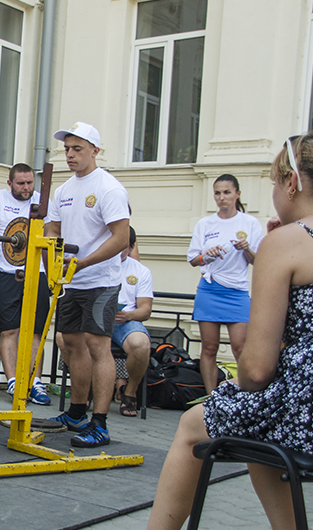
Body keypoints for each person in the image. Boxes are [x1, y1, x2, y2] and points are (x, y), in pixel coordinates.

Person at [147, 134, 313, 529]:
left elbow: (256, 370)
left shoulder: (286, 242)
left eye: (274, 183)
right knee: (253, 419)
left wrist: (279, 239)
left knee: (195, 424)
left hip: (305, 410)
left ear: (291, 183)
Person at [46, 122, 130, 448]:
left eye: (77, 149)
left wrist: (82, 263)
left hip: (100, 280)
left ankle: (101, 423)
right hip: (71, 280)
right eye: (67, 149)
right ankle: (77, 412)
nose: (70, 154)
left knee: (98, 346)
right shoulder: (63, 190)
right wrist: (54, 258)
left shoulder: (109, 188)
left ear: (95, 151)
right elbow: (53, 229)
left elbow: (121, 238)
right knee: (70, 343)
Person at [0, 163, 53, 405]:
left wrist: (51, 275)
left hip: (35, 274)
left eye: (29, 182)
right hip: (2, 273)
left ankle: (35, 382)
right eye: (20, 183)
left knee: (34, 332)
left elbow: (49, 238)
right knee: (9, 330)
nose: (26, 188)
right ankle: (12, 381)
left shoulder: (43, 201)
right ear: (10, 183)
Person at [187, 174, 263, 394]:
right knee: (209, 348)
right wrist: (207, 256)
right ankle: (211, 398)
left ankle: (244, 395)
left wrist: (246, 248)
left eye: (227, 192)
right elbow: (193, 260)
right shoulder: (205, 223)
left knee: (241, 348)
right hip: (210, 289)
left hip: (237, 291)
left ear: (237, 194)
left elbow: (258, 261)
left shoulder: (249, 223)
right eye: (217, 193)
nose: (222, 198)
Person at [112, 226, 153, 417]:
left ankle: (130, 391)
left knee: (141, 344)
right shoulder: (95, 262)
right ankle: (85, 389)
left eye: (124, 246)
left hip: (124, 320)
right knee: (63, 336)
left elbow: (145, 309)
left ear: (131, 247)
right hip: (95, 318)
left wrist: (127, 316)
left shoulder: (141, 271)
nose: (119, 249)